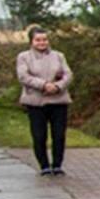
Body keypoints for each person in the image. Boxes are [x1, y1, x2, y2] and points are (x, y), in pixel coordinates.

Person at [15, 26, 72, 175]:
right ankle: (44, 165)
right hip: (36, 102)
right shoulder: (24, 57)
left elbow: (68, 74)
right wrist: (43, 85)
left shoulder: (59, 56)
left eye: (44, 39)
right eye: (38, 40)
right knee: (39, 135)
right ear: (32, 41)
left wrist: (57, 86)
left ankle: (57, 164)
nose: (42, 42)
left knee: (59, 135)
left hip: (58, 100)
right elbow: (23, 76)